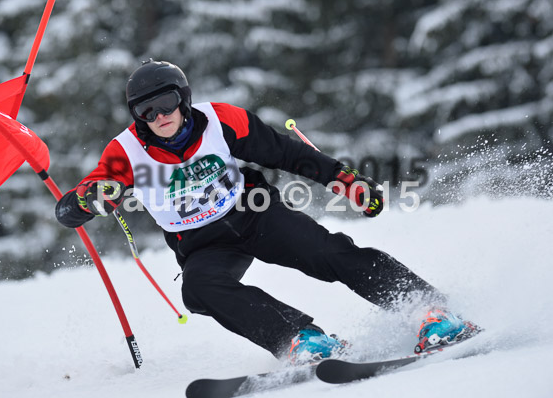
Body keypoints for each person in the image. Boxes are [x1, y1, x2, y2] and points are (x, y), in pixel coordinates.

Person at [55, 60, 477, 362]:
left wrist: (344, 181)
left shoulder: (220, 120)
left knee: (326, 252)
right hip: (202, 243)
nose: (159, 116)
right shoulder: (125, 151)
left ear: (183, 98)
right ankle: (301, 338)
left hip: (254, 215)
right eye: (146, 111)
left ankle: (427, 309)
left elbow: (284, 153)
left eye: (166, 102)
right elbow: (72, 206)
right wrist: (87, 200)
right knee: (199, 290)